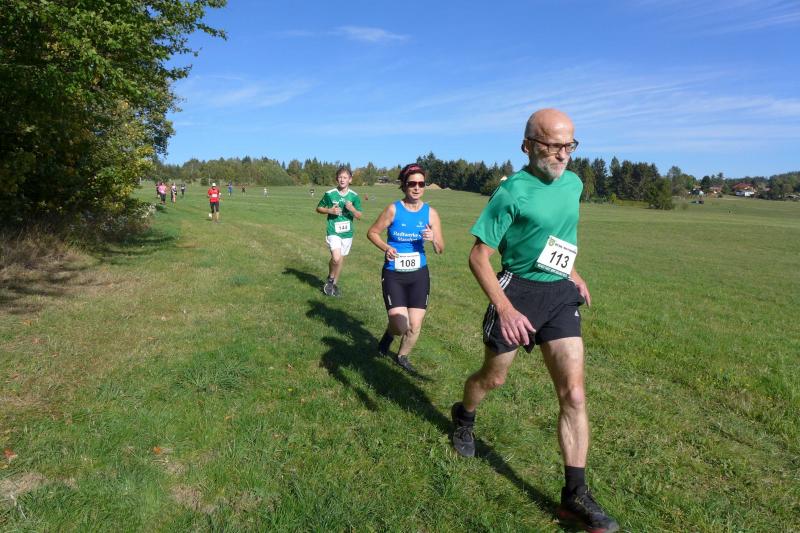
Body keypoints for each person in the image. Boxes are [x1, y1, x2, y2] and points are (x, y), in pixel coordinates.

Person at [450, 109, 619, 533]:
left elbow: (559, 235)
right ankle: (464, 416)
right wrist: (505, 309)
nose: (562, 154)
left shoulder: (574, 184)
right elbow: (478, 257)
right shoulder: (511, 192)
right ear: (527, 146)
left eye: (569, 145)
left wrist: (572, 271)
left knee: (574, 394)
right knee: (493, 379)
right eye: (552, 145)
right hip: (516, 292)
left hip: (558, 295)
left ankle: (574, 494)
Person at [367, 164, 444, 374]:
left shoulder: (431, 213)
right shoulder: (393, 209)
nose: (417, 188)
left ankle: (402, 356)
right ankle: (389, 334)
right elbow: (372, 232)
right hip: (394, 274)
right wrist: (386, 247)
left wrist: (433, 239)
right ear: (404, 185)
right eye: (412, 184)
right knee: (400, 325)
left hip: (419, 275)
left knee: (415, 325)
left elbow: (440, 249)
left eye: (421, 183)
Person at [315, 167, 362, 296]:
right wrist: (329, 210)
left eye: (345, 177)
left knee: (340, 259)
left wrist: (352, 209)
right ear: (337, 179)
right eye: (340, 177)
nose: (342, 180)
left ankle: (333, 285)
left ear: (350, 180)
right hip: (333, 231)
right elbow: (318, 208)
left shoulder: (354, 196)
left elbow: (359, 215)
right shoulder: (330, 194)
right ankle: (331, 278)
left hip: (347, 233)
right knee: (336, 257)